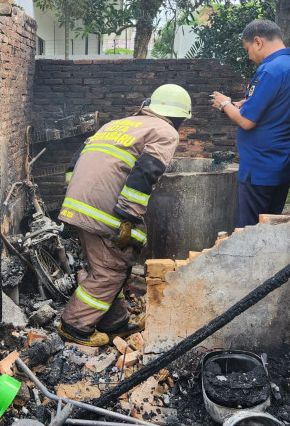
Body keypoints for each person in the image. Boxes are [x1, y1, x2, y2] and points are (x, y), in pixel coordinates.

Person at [57, 84, 192, 347]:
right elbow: (146, 171)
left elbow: (75, 160)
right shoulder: (165, 131)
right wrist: (129, 216)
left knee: (110, 266)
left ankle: (114, 324)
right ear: (179, 118)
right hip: (104, 208)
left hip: (79, 203)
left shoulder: (118, 124)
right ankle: (74, 327)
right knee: (110, 271)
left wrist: (75, 196)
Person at [211, 19, 290, 228]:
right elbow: (278, 108)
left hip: (258, 167)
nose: (249, 56)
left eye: (248, 49)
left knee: (248, 231)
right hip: (282, 163)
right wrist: (245, 104)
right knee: (269, 227)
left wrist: (224, 104)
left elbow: (247, 121)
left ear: (257, 41)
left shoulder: (269, 70)